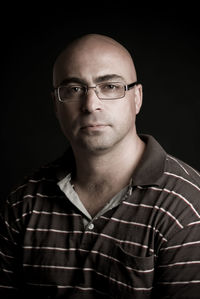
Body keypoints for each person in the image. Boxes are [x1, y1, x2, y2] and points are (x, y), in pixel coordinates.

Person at [0, 33, 200, 299]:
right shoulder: (23, 203)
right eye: (73, 90)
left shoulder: (186, 206)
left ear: (137, 97)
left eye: (110, 87)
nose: (91, 105)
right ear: (56, 106)